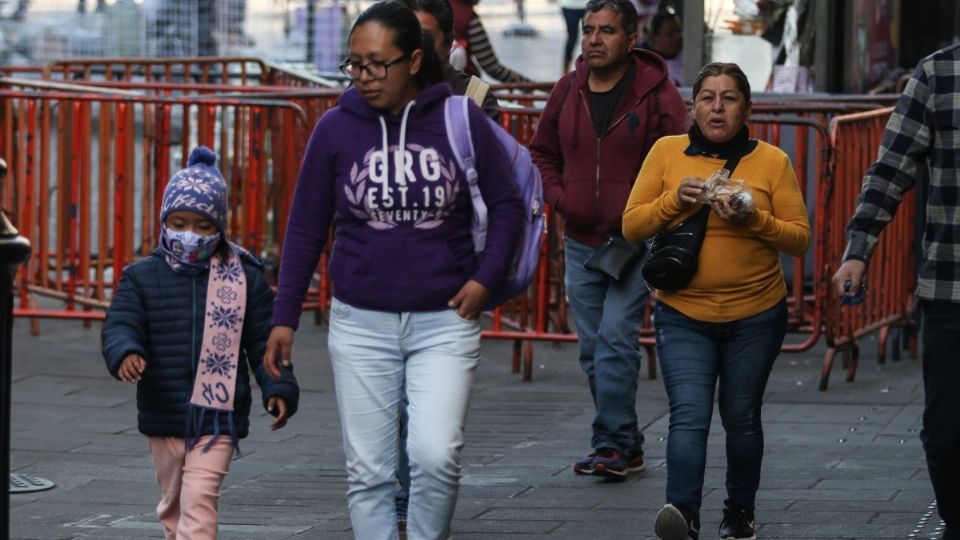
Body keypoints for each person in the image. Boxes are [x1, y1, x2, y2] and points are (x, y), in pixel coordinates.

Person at [263, 2, 523, 538]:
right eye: (354, 64)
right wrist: (284, 315)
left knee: (435, 455)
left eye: (376, 64)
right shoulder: (336, 128)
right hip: (360, 324)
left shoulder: (461, 117)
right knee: (370, 472)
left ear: (412, 61)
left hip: (445, 321)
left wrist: (486, 277)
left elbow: (508, 204)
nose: (363, 77)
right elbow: (306, 227)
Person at [622, 62, 810, 540]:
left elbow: (799, 239)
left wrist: (753, 218)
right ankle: (682, 514)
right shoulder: (666, 153)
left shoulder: (771, 161)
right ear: (693, 105)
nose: (717, 107)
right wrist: (675, 203)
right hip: (683, 312)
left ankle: (739, 512)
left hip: (756, 314)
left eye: (728, 98)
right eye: (707, 97)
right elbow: (631, 224)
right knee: (688, 414)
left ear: (747, 107)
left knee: (742, 417)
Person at [101, 147, 300, 540]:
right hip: (164, 411)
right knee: (173, 504)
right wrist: (125, 352)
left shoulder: (245, 277)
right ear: (164, 221)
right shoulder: (141, 276)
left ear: (219, 227)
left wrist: (278, 387)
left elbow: (263, 342)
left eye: (202, 225)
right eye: (178, 222)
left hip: (217, 416)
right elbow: (120, 324)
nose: (189, 233)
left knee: (199, 499)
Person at [529, 0, 687, 480]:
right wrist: (561, 198)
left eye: (607, 31)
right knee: (591, 348)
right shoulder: (567, 90)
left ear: (631, 39)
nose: (594, 39)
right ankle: (627, 441)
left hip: (636, 239)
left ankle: (611, 444)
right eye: (590, 30)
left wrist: (650, 214)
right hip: (580, 238)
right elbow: (541, 153)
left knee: (616, 339)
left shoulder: (658, 95)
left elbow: (680, 158)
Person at [832, 44, 960, 540]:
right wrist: (858, 249)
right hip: (951, 287)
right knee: (948, 431)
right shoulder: (938, 72)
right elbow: (889, 170)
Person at [395, 0, 503, 531]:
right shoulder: (368, 94)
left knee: (430, 425)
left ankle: (418, 511)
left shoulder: (477, 99)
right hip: (380, 284)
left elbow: (504, 195)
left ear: (447, 42)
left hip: (452, 285)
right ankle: (399, 509)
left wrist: (486, 277)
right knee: (389, 411)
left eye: (425, 36)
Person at [448, 0, 532, 83]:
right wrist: (529, 85)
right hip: (463, 87)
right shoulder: (467, 17)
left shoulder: (442, 7)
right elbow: (492, 67)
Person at [639, 10, 683, 86]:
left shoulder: (686, 56)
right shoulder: (640, 63)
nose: (677, 37)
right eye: (670, 34)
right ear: (654, 36)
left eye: (679, 32)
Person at [559, 0, 588, 74]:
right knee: (572, 39)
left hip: (588, 5)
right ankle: (564, 74)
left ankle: (591, 70)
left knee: (590, 37)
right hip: (569, 5)